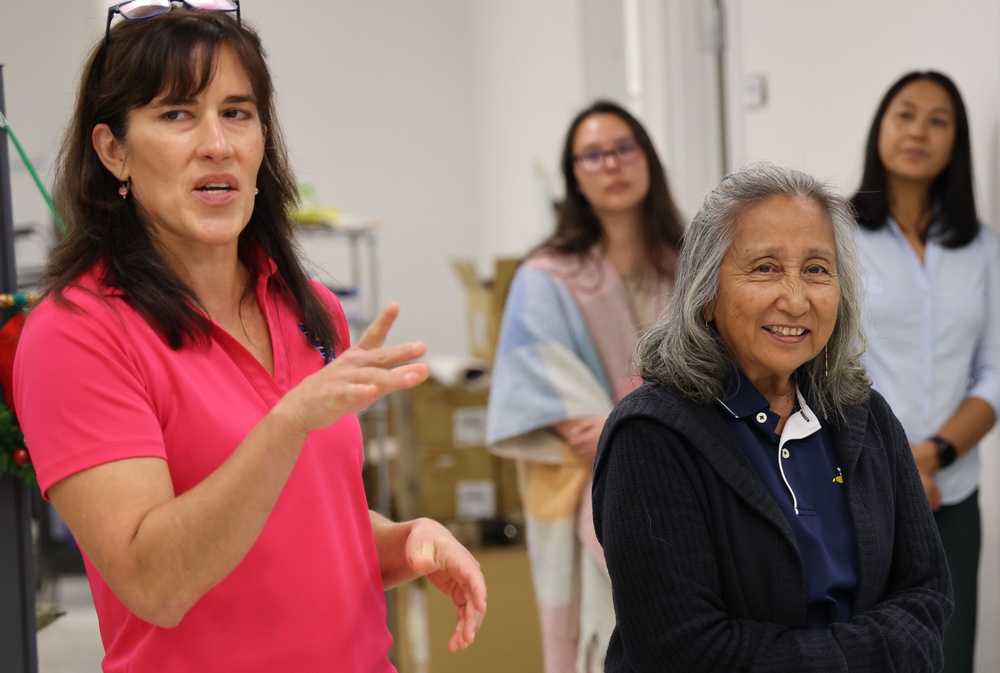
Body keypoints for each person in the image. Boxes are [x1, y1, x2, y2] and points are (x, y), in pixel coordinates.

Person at [12, 4, 486, 672]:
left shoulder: (309, 306)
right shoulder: (78, 333)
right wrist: (286, 422)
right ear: (112, 149)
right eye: (177, 114)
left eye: (237, 112)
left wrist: (404, 540)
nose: (218, 143)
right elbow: (156, 584)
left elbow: (304, 527)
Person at [592, 163, 954, 672]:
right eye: (764, 268)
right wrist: (864, 657)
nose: (796, 298)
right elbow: (683, 652)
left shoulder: (864, 416)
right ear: (707, 295)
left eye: (816, 269)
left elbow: (927, 595)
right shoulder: (651, 437)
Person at [487, 99, 684, 673]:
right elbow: (560, 409)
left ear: (647, 157)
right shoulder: (544, 280)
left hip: (687, 493)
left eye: (624, 148)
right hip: (591, 500)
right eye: (592, 155)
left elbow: (718, 379)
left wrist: (639, 433)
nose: (611, 165)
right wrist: (649, 437)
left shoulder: (691, 268)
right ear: (574, 174)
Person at [850, 71, 1000, 673]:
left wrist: (931, 457)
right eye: (905, 114)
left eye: (938, 120)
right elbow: (825, 365)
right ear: (880, 127)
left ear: (955, 142)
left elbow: (994, 370)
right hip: (854, 486)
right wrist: (897, 467)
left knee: (947, 656)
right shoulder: (835, 233)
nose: (919, 130)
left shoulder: (982, 247)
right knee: (859, 653)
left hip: (952, 491)